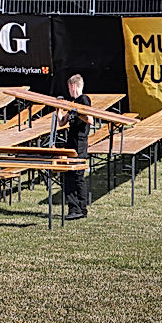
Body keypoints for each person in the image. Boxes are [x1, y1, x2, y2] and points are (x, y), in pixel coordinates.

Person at [57, 74, 92, 221]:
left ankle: (77, 208)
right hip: (71, 143)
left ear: (73, 86)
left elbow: (89, 119)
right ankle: (79, 208)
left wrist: (77, 111)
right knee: (72, 176)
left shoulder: (83, 100)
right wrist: (59, 108)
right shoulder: (73, 104)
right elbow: (61, 123)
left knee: (75, 176)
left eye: (69, 87)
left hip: (79, 143)